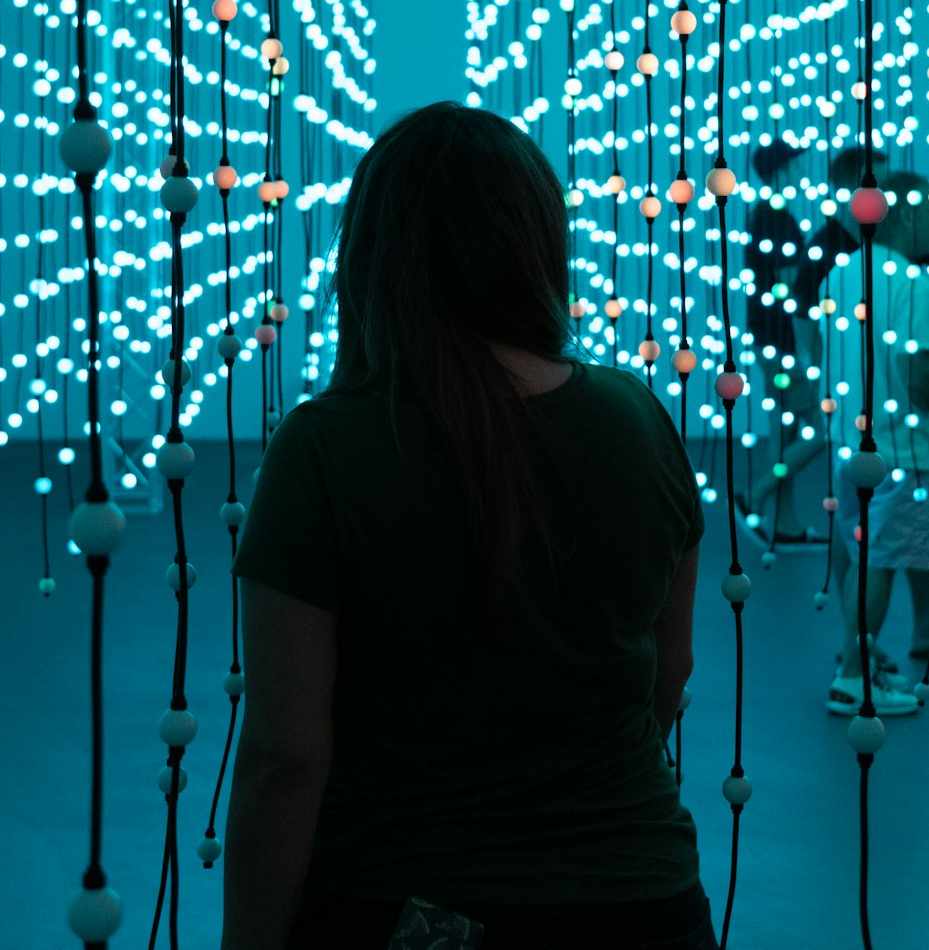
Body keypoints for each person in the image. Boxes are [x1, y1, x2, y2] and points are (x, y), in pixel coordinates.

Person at [223, 102, 717, 950]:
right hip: (645, 908)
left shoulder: (326, 448)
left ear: (373, 254)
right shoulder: (638, 420)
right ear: (537, 247)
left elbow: (286, 757)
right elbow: (666, 682)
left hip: (410, 914)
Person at [822, 172, 929, 717]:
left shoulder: (843, 273)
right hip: (900, 450)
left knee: (859, 555)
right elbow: (916, 376)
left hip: (848, 441)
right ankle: (855, 680)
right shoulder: (913, 285)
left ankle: (858, 657)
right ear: (903, 216)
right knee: (881, 559)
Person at [739, 138, 818, 544]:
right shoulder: (779, 220)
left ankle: (785, 525)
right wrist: (806, 347)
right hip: (783, 344)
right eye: (795, 164)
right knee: (821, 430)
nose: (801, 171)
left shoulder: (760, 216)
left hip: (766, 338)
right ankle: (754, 496)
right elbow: (791, 289)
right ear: (779, 171)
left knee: (784, 431)